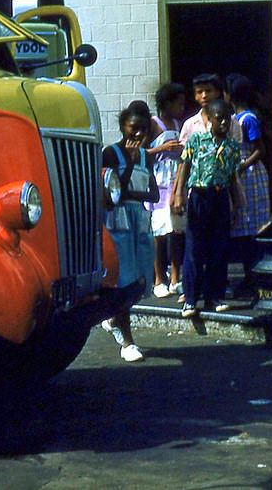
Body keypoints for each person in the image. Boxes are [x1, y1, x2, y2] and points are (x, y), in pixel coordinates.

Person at [172, 99, 241, 318]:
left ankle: (214, 297)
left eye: (227, 119)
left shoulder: (232, 146)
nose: (223, 123)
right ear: (209, 119)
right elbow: (185, 166)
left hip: (220, 197)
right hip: (199, 196)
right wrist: (178, 195)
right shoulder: (196, 140)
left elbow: (232, 177)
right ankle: (190, 300)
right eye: (218, 118)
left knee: (218, 248)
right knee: (194, 248)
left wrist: (236, 204)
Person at [101, 105, 160, 362]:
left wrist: (139, 163)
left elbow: (154, 194)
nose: (137, 133)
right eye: (132, 128)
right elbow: (113, 192)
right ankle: (127, 341)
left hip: (140, 220)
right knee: (124, 280)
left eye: (143, 129)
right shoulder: (111, 153)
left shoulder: (147, 156)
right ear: (123, 127)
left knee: (140, 281)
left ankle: (113, 318)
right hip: (119, 221)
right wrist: (130, 165)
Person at [225, 74, 271, 287]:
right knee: (242, 225)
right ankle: (248, 274)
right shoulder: (234, 119)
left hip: (250, 175)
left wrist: (242, 165)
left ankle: (253, 275)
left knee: (252, 225)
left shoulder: (248, 119)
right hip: (241, 174)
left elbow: (260, 150)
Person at [146, 82, 187, 298]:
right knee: (159, 233)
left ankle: (175, 277)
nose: (182, 107)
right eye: (178, 103)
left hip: (176, 182)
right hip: (159, 183)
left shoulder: (178, 123)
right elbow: (141, 152)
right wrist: (163, 148)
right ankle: (158, 279)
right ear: (167, 103)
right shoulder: (153, 123)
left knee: (176, 231)